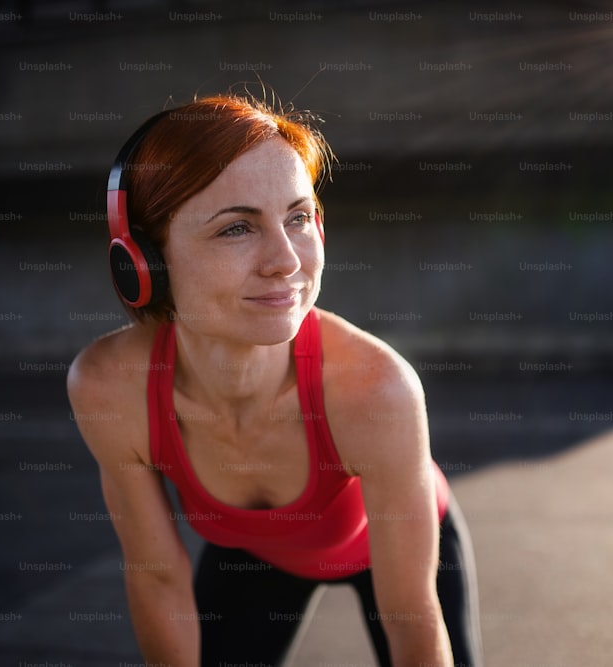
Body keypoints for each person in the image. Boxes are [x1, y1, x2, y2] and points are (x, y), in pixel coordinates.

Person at [67, 92, 483, 667]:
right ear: (141, 262)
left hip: (397, 553)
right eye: (236, 228)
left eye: (297, 217)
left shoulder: (376, 389)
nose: (286, 260)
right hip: (256, 557)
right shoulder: (108, 387)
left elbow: (412, 619)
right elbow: (158, 580)